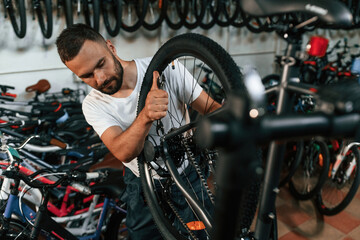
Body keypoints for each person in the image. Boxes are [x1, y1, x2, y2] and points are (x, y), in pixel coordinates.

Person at [56, 23, 219, 239]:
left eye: (101, 64)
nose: (100, 78)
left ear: (111, 47)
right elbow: (123, 152)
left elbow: (214, 110)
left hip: (188, 174)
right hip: (142, 183)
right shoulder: (93, 104)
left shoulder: (168, 69)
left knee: (201, 235)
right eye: (87, 75)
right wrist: (146, 116)